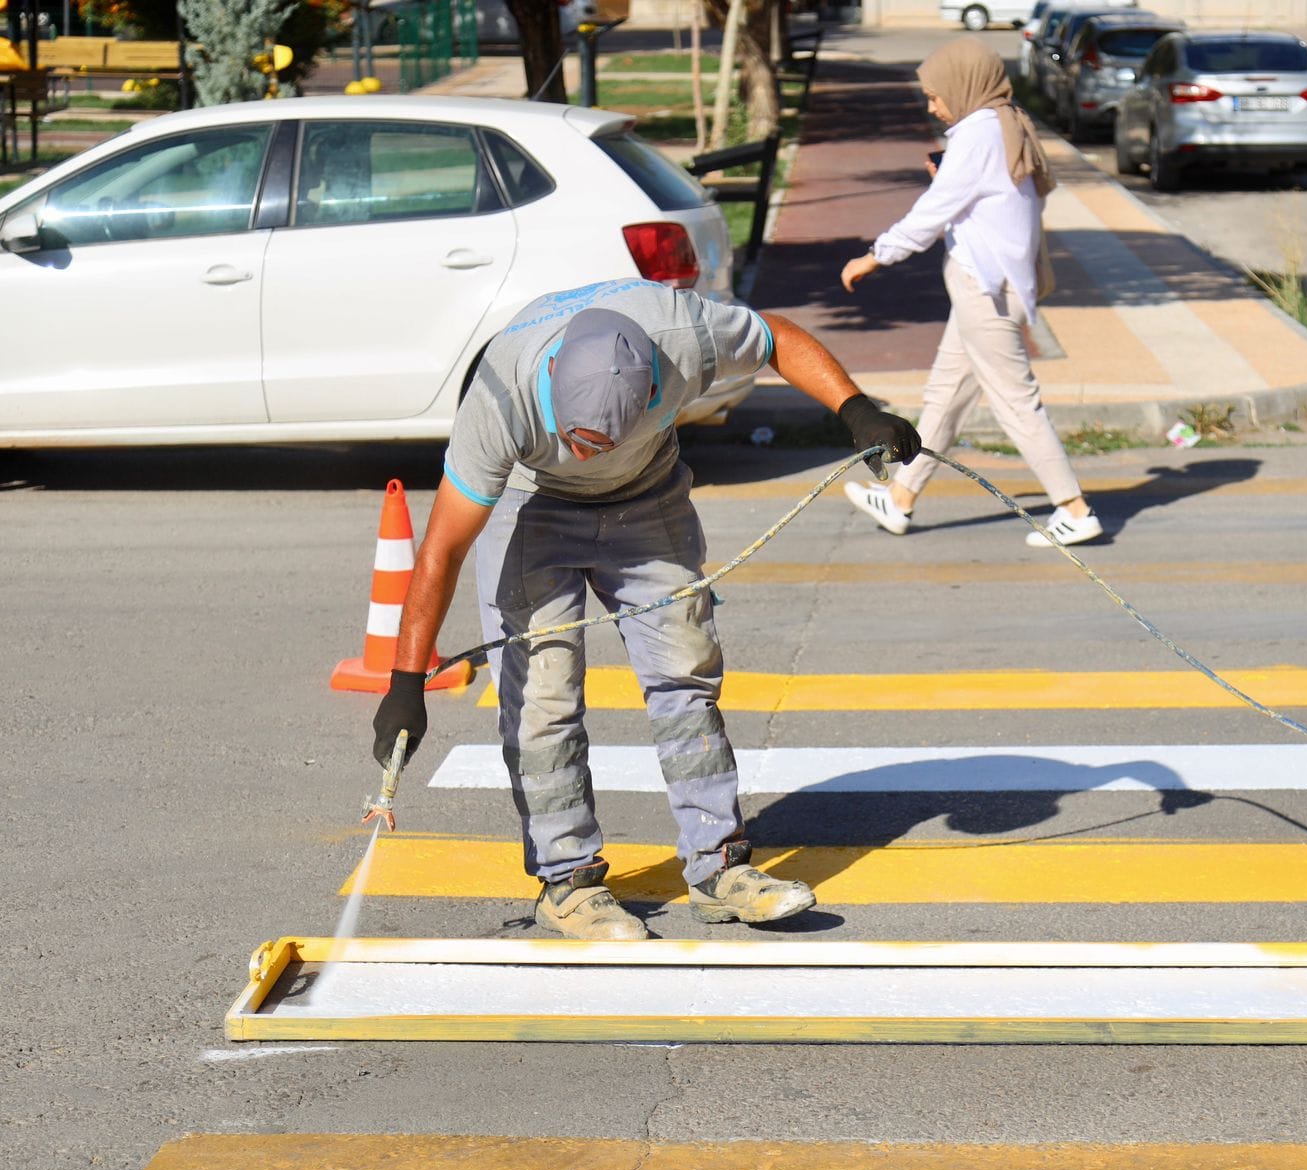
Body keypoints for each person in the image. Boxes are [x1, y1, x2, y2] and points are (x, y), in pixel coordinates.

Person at [371, 278, 921, 941]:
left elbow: (776, 335)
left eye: (600, 441)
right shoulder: (502, 397)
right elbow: (440, 551)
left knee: (684, 675)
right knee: (542, 696)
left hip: (646, 497)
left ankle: (721, 868)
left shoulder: (684, 336)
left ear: (655, 391)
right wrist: (406, 683)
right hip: (530, 505)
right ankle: (568, 883)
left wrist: (856, 408)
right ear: (549, 382)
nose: (585, 454)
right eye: (576, 438)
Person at [838, 37, 1101, 549]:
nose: (932, 106)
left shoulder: (979, 133)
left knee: (1015, 403)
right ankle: (900, 498)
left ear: (964, 86)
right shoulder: (1004, 122)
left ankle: (1075, 509)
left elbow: (934, 213)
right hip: (991, 283)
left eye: (936, 95)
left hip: (984, 285)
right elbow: (986, 201)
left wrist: (875, 255)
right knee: (947, 396)